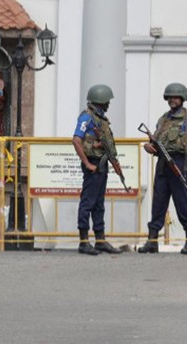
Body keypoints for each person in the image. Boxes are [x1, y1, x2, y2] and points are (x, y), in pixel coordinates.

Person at [139, 82, 187, 255]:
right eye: (170, 97)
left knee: (182, 201)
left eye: (175, 97)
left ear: (182, 99)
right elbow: (154, 141)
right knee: (158, 202)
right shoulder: (163, 120)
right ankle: (152, 241)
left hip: (178, 163)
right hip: (162, 164)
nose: (172, 100)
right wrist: (148, 147)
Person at [71, 84, 122, 255]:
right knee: (88, 202)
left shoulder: (101, 119)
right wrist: (87, 163)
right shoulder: (87, 117)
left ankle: (100, 239)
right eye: (107, 101)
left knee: (99, 203)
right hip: (93, 164)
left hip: (102, 164)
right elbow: (76, 140)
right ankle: (84, 241)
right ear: (100, 101)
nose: (108, 104)